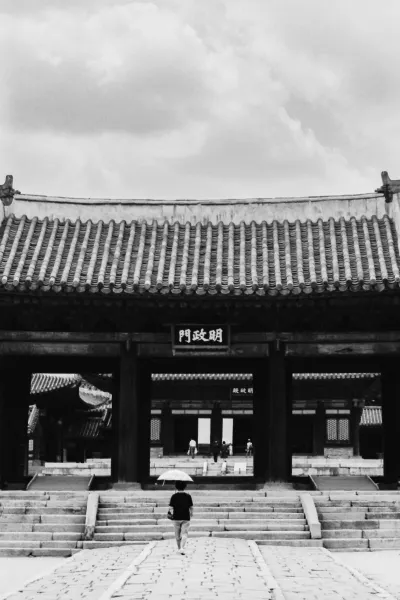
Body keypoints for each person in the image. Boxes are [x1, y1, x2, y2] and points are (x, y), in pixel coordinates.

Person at [169, 480, 193, 555]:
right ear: (185, 487)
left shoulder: (174, 496)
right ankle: (182, 548)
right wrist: (191, 514)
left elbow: (170, 507)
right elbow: (191, 507)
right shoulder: (188, 496)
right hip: (186, 517)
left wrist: (170, 513)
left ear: (176, 487)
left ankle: (179, 548)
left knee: (177, 534)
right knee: (185, 533)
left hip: (176, 517)